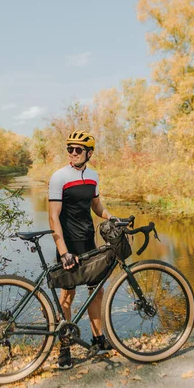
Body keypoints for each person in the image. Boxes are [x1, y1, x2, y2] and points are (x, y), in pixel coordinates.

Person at [48, 130, 116, 369]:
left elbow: (96, 206)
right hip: (69, 244)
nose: (73, 154)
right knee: (67, 296)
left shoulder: (93, 176)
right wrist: (63, 251)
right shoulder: (59, 177)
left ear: (89, 153)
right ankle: (64, 348)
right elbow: (53, 217)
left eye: (78, 150)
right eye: (70, 149)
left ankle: (98, 339)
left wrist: (111, 217)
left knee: (96, 291)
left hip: (89, 241)